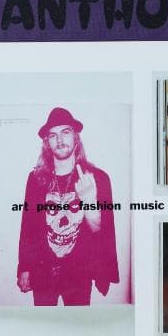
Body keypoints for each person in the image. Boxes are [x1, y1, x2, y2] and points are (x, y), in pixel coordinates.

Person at [17, 107, 119, 306]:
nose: (59, 140)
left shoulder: (97, 178)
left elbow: (102, 231)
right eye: (52, 135)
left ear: (76, 137)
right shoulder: (36, 179)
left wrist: (89, 201)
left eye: (65, 132)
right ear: (47, 142)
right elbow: (28, 226)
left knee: (77, 322)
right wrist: (24, 267)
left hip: (79, 272)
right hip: (43, 270)